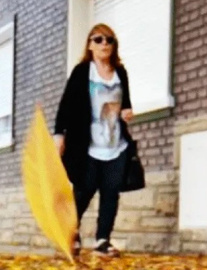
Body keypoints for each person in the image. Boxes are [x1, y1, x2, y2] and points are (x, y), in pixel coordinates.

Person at [54, 23, 134, 257]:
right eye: (98, 40)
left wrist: (127, 111)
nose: (104, 44)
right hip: (87, 145)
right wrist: (59, 135)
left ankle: (102, 241)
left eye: (109, 40)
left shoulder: (120, 73)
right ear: (90, 44)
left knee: (111, 192)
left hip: (115, 143)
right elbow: (66, 105)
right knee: (84, 190)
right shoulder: (82, 72)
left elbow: (126, 104)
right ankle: (71, 231)